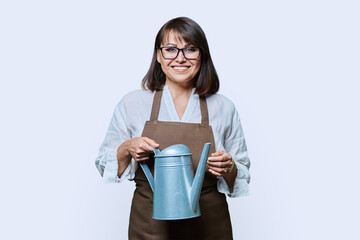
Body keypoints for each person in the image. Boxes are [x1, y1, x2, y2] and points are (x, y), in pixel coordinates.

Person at [95, 16, 250, 240]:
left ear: (201, 55)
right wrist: (127, 147)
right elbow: (105, 164)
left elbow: (242, 172)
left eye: (190, 49)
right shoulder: (132, 104)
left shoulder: (223, 107)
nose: (180, 58)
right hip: (150, 224)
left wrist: (229, 166)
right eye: (170, 49)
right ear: (158, 55)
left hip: (210, 224)